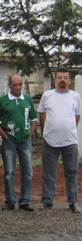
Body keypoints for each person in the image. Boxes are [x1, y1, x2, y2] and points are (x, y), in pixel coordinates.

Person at [37, 68, 82, 212]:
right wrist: (45, 132)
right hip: (51, 140)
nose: (62, 80)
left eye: (65, 77)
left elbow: (77, 116)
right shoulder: (47, 95)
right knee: (49, 172)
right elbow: (42, 114)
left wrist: (68, 128)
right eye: (60, 77)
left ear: (70, 80)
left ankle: (73, 201)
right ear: (55, 80)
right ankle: (47, 201)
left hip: (70, 141)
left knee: (72, 172)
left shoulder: (75, 96)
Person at [0, 74, 37, 212]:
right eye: (15, 85)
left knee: (27, 172)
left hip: (25, 141)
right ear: (9, 85)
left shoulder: (27, 99)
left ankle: (25, 201)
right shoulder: (2, 101)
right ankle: (10, 201)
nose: (18, 87)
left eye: (20, 84)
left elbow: (34, 119)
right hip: (10, 141)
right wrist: (5, 136)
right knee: (9, 172)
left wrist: (29, 134)